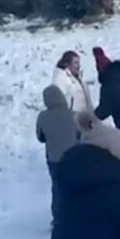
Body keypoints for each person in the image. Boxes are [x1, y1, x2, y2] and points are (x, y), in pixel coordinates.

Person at [36, 85, 79, 221]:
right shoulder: (74, 115)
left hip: (54, 159)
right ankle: (76, 214)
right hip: (73, 158)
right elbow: (81, 135)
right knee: (75, 186)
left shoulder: (42, 117)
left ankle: (58, 218)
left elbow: (41, 137)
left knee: (57, 189)